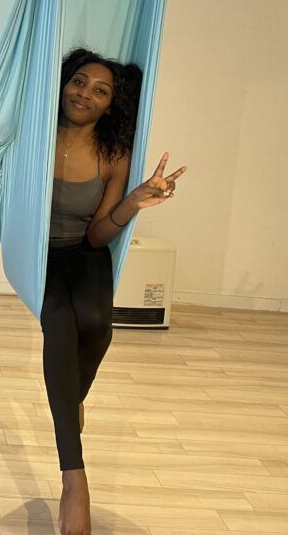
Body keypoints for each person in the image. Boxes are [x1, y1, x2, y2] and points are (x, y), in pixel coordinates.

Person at [46, 48, 185, 535]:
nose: (84, 93)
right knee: (61, 327)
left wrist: (132, 202)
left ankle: (72, 395)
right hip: (37, 257)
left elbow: (99, 234)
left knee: (97, 328)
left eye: (100, 90)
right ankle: (74, 478)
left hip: (84, 253)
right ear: (64, 83)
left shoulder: (114, 154)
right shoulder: (36, 135)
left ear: (111, 105)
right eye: (79, 82)